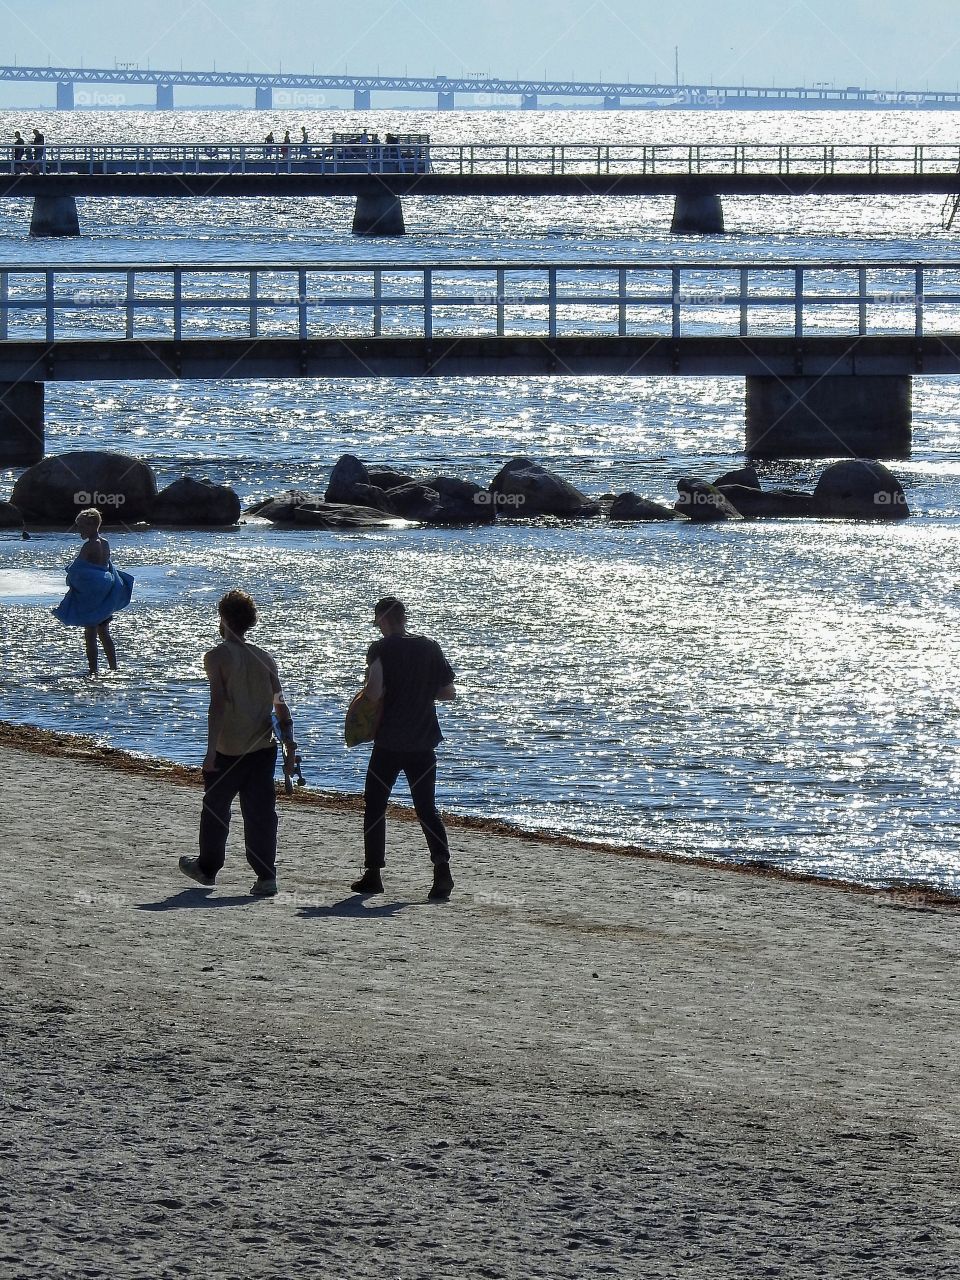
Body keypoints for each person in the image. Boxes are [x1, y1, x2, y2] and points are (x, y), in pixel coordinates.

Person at [179, 590, 297, 898]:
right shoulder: (265, 658)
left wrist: (209, 752)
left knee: (216, 809)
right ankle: (266, 876)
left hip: (229, 749)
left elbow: (217, 705)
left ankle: (207, 868)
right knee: (261, 814)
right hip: (263, 748)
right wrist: (290, 746)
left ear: (224, 619)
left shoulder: (216, 657)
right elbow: (281, 706)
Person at [351, 596, 457, 900]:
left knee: (375, 805)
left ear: (382, 620)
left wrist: (362, 703)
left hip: (389, 742)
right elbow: (448, 692)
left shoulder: (380, 648)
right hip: (423, 741)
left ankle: (373, 874)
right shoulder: (430, 646)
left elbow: (374, 692)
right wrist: (418, 692)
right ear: (403, 618)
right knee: (426, 807)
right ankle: (442, 871)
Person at [52, 508, 133, 675]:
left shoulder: (89, 546)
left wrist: (71, 578)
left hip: (92, 595)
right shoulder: (105, 543)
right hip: (106, 592)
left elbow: (77, 569)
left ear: (91, 525)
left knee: (90, 634)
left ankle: (93, 670)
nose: (79, 531)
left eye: (81, 527)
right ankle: (113, 667)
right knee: (104, 632)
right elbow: (105, 568)